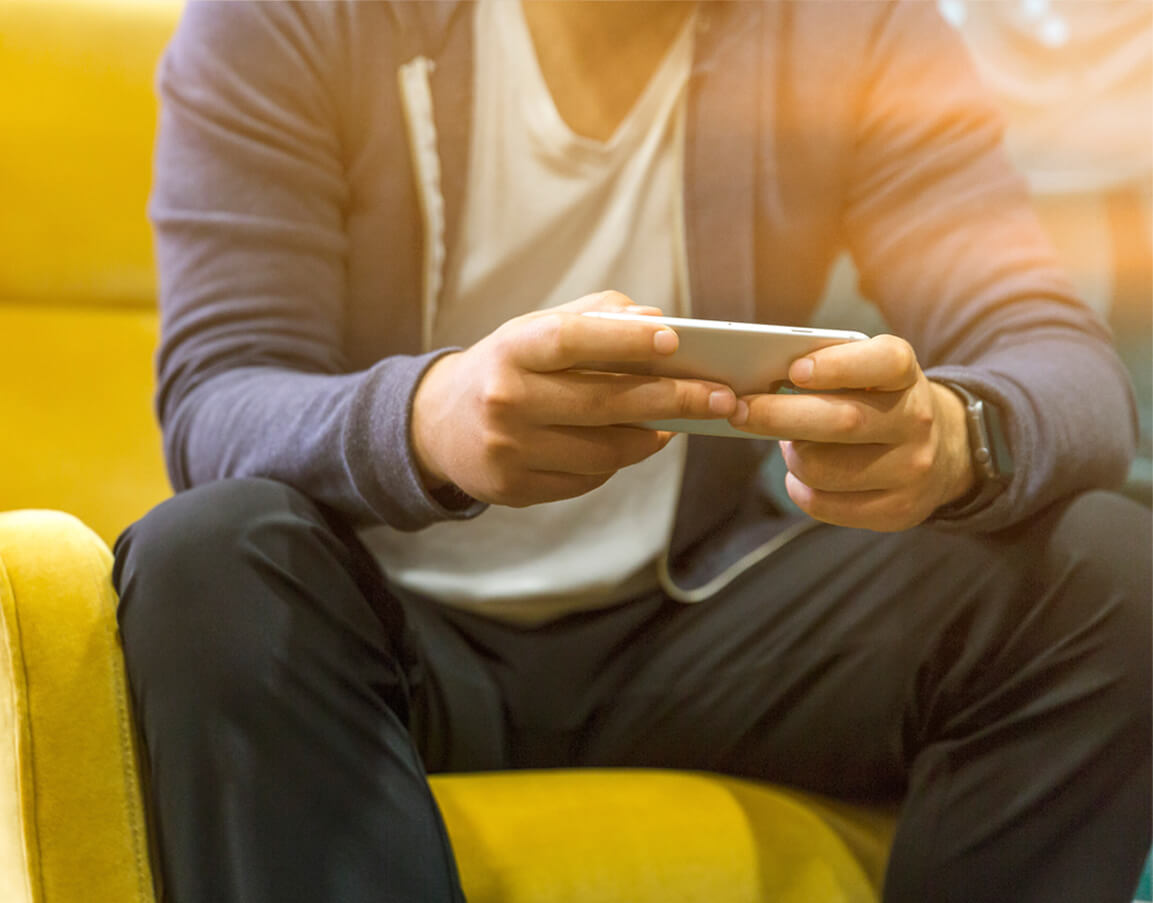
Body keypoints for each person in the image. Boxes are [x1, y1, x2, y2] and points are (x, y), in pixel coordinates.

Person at [112, 2, 1152, 901]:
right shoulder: (290, 21)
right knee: (204, 557)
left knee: (1107, 567)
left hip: (699, 635)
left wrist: (957, 435)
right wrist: (433, 418)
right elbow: (219, 397)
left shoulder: (853, 27)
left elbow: (1065, 366)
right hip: (380, 636)